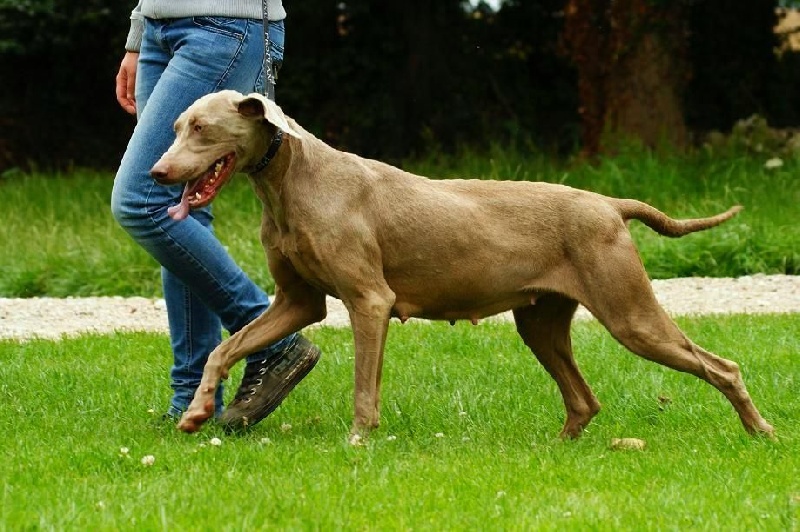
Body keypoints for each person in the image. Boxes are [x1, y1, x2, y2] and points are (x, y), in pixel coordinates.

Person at [111, 0, 320, 430]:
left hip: (226, 27)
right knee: (180, 211)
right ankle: (191, 393)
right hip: (159, 28)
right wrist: (139, 32)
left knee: (141, 202)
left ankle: (268, 338)